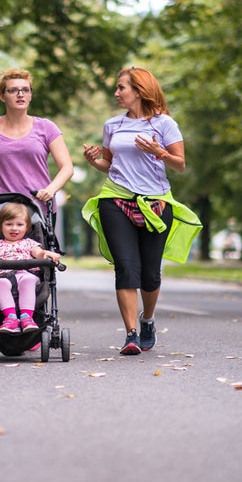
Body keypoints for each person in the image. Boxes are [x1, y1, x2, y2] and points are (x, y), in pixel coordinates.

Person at [81, 67, 202, 355]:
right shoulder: (113, 125)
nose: (117, 93)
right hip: (116, 199)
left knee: (150, 274)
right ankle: (131, 334)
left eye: (121, 87)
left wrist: (158, 152)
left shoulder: (164, 124)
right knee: (126, 268)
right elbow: (109, 165)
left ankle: (147, 320)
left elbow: (180, 164)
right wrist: (92, 161)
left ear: (139, 90)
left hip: (155, 203)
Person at [0, 68, 73, 205]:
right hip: (1, 209)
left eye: (25, 90)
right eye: (12, 90)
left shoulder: (46, 127)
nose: (20, 94)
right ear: (2, 96)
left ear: (30, 95)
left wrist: (50, 190)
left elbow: (67, 167)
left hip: (39, 208)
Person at [0, 202, 62, 333]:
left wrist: (47, 253)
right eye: (9, 224)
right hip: (4, 275)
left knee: (27, 281)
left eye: (19, 224)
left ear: (27, 227)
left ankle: (26, 317)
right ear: (0, 226)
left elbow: (39, 253)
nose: (14, 228)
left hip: (26, 274)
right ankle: (11, 317)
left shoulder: (29, 243)